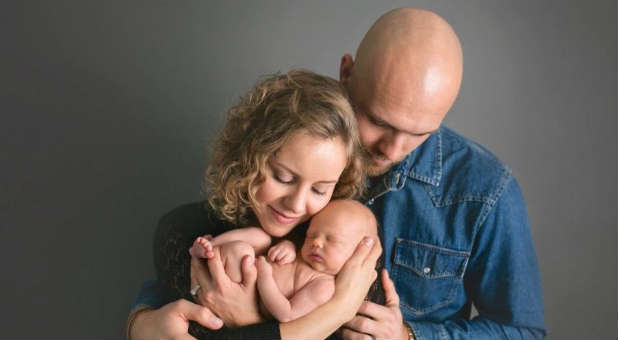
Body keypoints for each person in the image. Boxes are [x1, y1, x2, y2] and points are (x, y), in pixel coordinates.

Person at [129, 7, 546, 340]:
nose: (393, 149)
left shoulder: (486, 190)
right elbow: (206, 233)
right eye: (378, 121)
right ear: (347, 73)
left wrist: (409, 336)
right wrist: (143, 318)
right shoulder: (306, 138)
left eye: (420, 133)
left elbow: (521, 331)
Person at [128, 69, 382, 339]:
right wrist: (337, 312)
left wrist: (250, 319)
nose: (296, 205)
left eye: (320, 189)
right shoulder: (183, 231)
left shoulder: (346, 250)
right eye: (283, 177)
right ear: (249, 157)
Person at [187, 199, 378, 323]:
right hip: (244, 269)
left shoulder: (324, 286)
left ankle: (210, 254)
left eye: (331, 240)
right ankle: (209, 246)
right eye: (311, 235)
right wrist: (287, 247)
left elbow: (287, 313)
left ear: (357, 254)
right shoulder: (307, 255)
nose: (316, 243)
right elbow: (285, 257)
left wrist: (265, 275)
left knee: (241, 250)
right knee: (260, 237)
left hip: (249, 296)